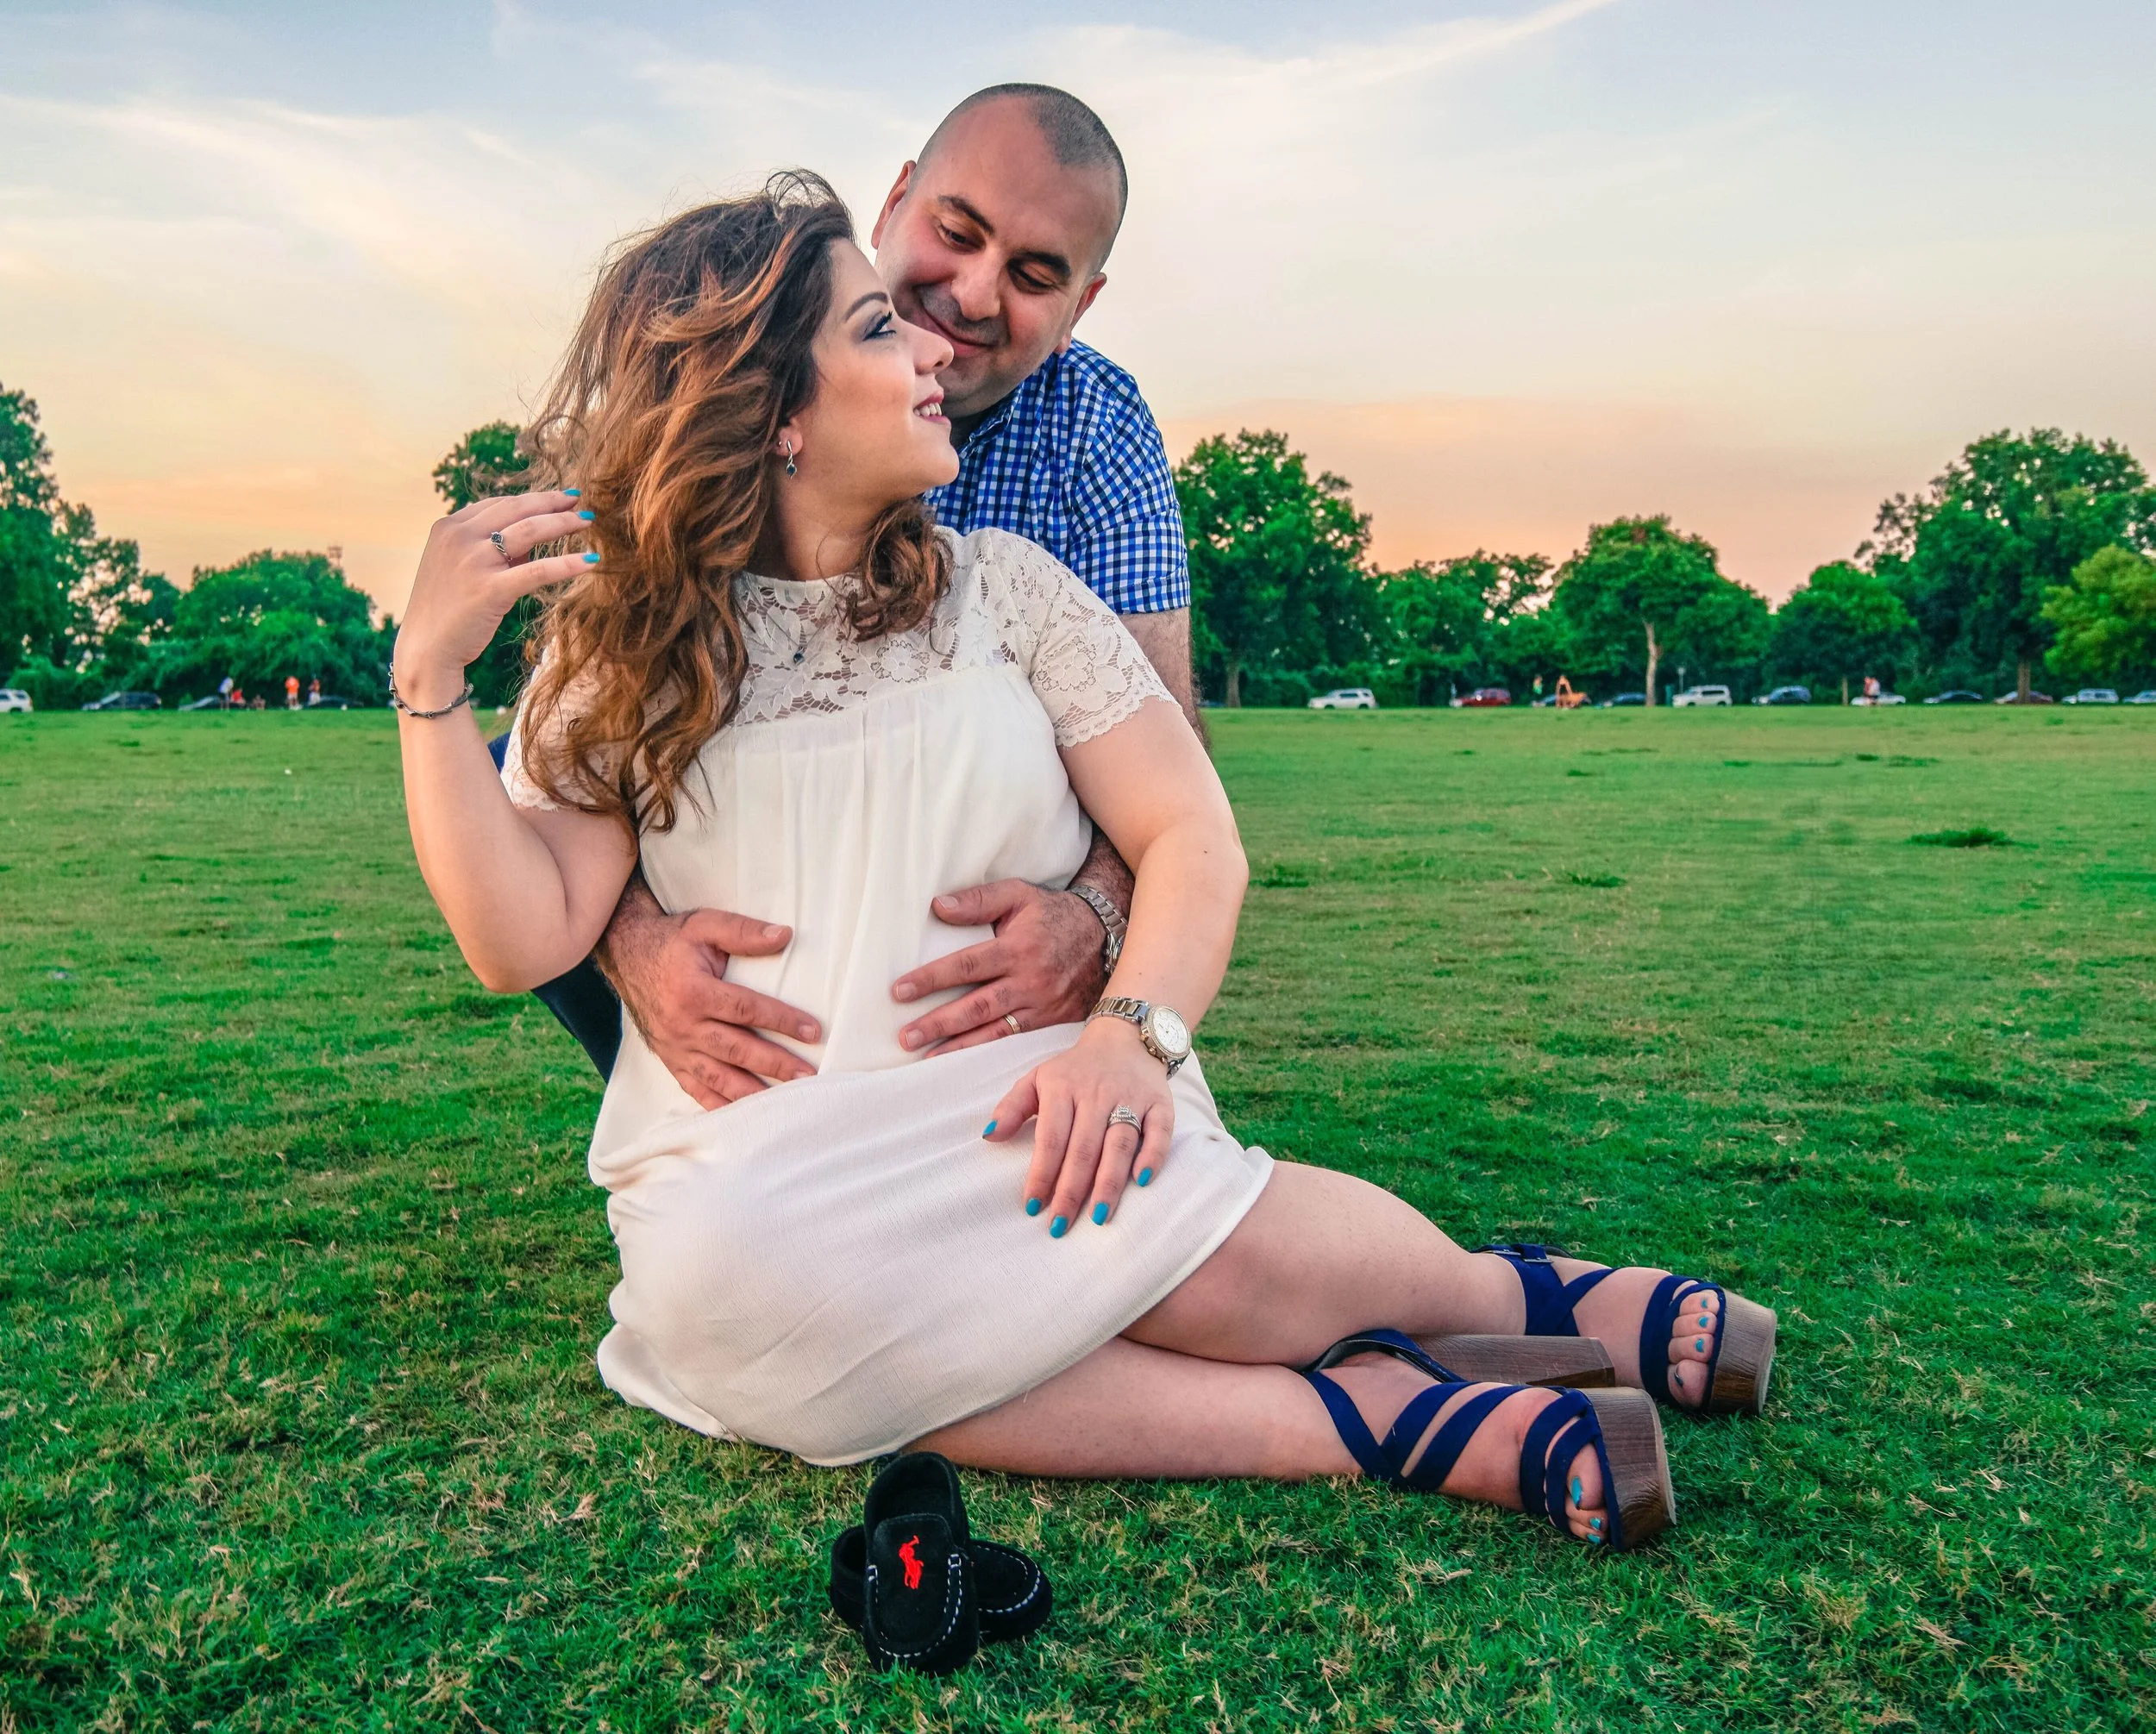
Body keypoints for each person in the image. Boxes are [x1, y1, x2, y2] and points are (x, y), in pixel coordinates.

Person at [393, 176, 1774, 1549]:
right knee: (736, 1283)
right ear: (779, 420)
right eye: (883, 330)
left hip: (1033, 1092)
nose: (936, 348)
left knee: (1188, 1271)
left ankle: (1502, 1304)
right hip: (763, 1172)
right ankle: (1359, 1421)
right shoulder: (622, 652)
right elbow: (523, 938)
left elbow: (1192, 835)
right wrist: (432, 681)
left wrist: (1131, 1037)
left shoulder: (1011, 592)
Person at [525, 85, 1190, 1098]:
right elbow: (601, 697)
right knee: (526, 764)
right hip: (756, 894)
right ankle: (692, 1086)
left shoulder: (1093, 428)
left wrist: (1092, 922)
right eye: (955, 232)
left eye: (1033, 274)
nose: (969, 296)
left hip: (978, 980)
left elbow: (1165, 750)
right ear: (894, 204)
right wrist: (634, 948)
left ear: (1079, 308)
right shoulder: (724, 372)